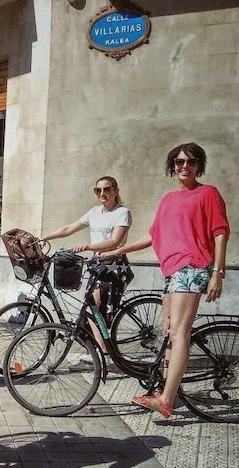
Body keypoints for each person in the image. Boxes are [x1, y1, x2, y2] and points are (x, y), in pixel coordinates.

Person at [103, 142, 229, 418]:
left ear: (199, 166)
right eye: (179, 162)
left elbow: (220, 233)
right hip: (172, 270)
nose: (185, 166)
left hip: (193, 266)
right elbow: (153, 235)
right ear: (172, 166)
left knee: (179, 332)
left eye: (191, 162)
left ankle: (167, 399)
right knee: (168, 332)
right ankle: (164, 390)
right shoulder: (168, 199)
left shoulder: (207, 194)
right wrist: (118, 250)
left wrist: (218, 273)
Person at [42, 176, 131, 362]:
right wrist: (45, 237)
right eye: (98, 190)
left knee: (96, 307)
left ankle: (102, 350)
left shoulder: (122, 212)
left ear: (116, 191)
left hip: (113, 265)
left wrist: (90, 247)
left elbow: (115, 241)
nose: (102, 194)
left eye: (107, 189)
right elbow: (68, 229)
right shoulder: (94, 212)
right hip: (98, 265)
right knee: (91, 308)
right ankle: (102, 348)